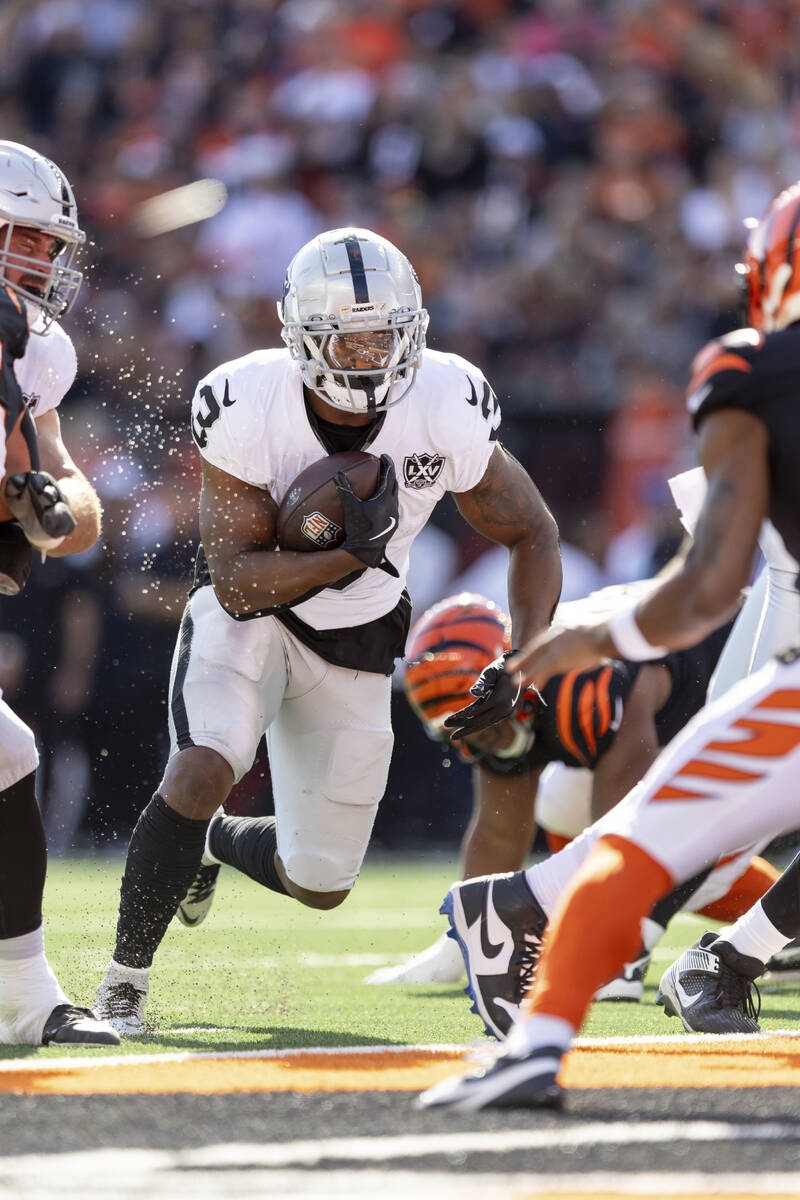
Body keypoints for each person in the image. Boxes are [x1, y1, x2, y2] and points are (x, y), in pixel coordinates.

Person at [93, 226, 563, 1033]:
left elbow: (534, 533)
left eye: (385, 333)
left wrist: (525, 657)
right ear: (305, 337)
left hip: (360, 634)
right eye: (350, 337)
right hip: (254, 618)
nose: (371, 353)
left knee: (321, 882)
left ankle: (209, 846)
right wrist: (349, 554)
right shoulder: (247, 400)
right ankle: (123, 983)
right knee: (205, 765)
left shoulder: (444, 400)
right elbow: (238, 582)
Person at [419, 180, 800, 1111]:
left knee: (653, 837)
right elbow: (711, 579)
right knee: (659, 835)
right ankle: (535, 941)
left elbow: (708, 584)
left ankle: (539, 1017)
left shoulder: (753, 373)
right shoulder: (756, 380)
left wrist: (596, 631)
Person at [368, 591, 777, 1000]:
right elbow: (499, 833)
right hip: (674, 717)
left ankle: (760, 934)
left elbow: (627, 826)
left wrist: (605, 927)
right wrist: (460, 943)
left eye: (488, 725)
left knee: (680, 844)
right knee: (561, 802)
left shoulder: (585, 679)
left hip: (756, 686)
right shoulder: (513, 696)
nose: (483, 742)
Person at [0, 141, 117, 1046]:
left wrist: (46, 506)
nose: (45, 264)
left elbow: (73, 496)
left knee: (9, 756)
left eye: (48, 245)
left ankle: (24, 994)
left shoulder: (35, 351)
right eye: (29, 241)